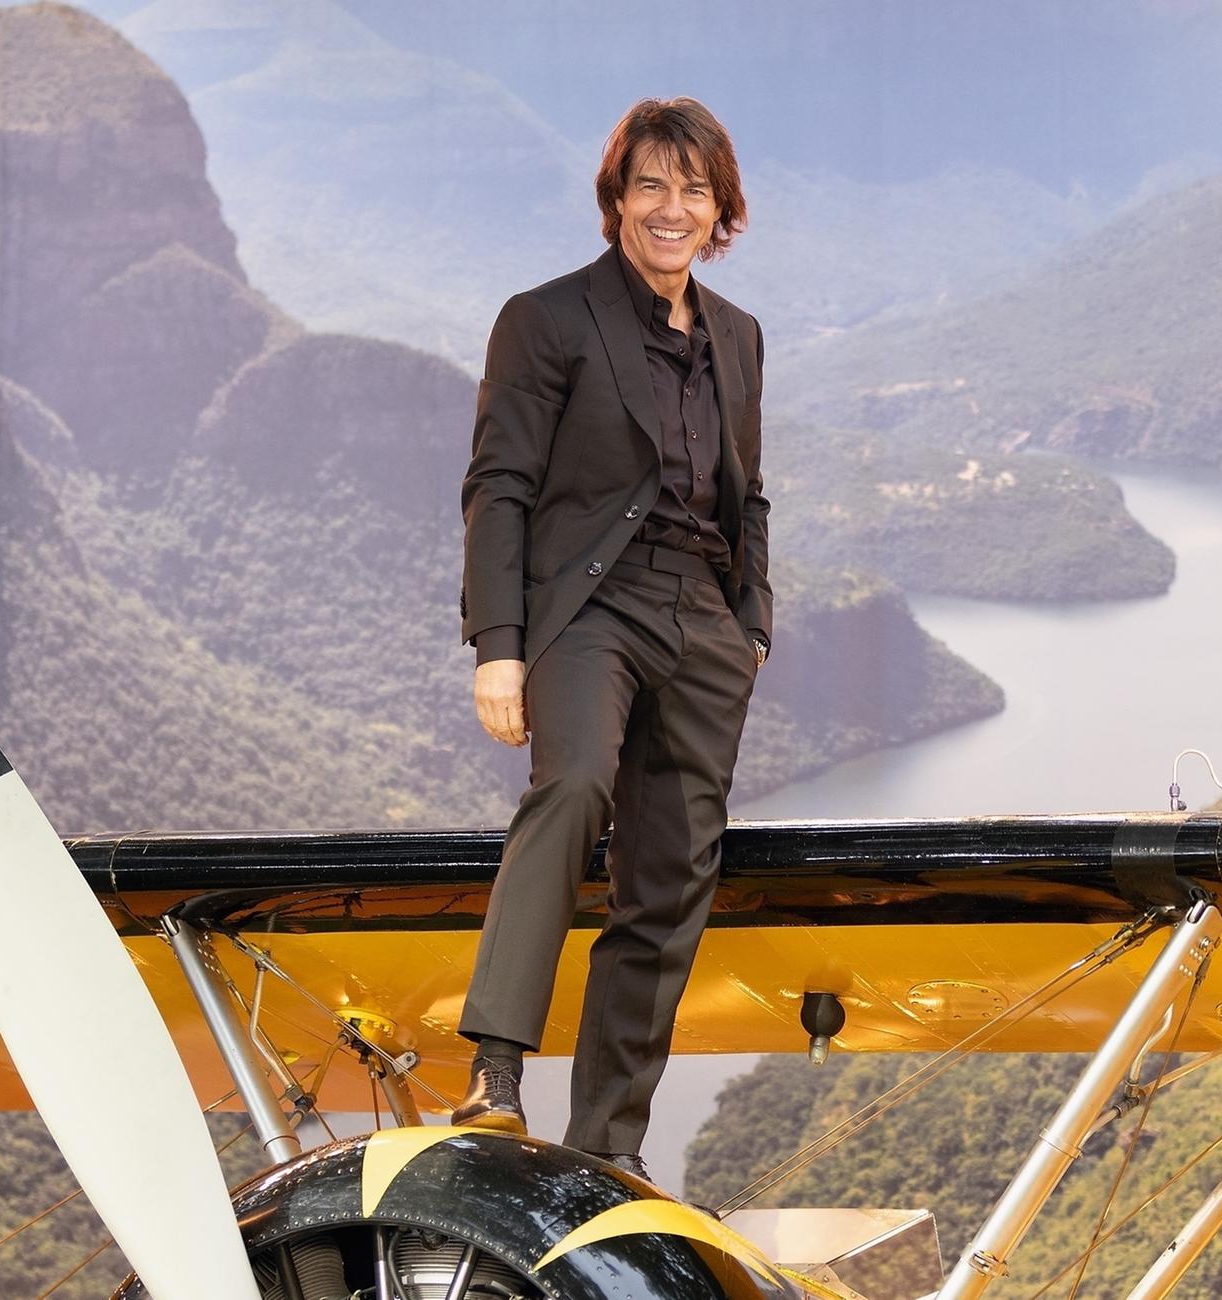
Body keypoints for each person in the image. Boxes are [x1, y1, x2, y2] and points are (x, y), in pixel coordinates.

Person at [452, 97, 772, 1183]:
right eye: (650, 186)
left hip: (703, 622)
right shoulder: (544, 320)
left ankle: (606, 1143)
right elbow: (498, 486)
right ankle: (497, 1067)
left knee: (671, 877)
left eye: (694, 190)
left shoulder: (738, 336)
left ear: (719, 210)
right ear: (617, 201)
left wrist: (751, 626)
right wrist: (499, 645)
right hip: (589, 608)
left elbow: (747, 495)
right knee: (575, 783)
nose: (671, 209)